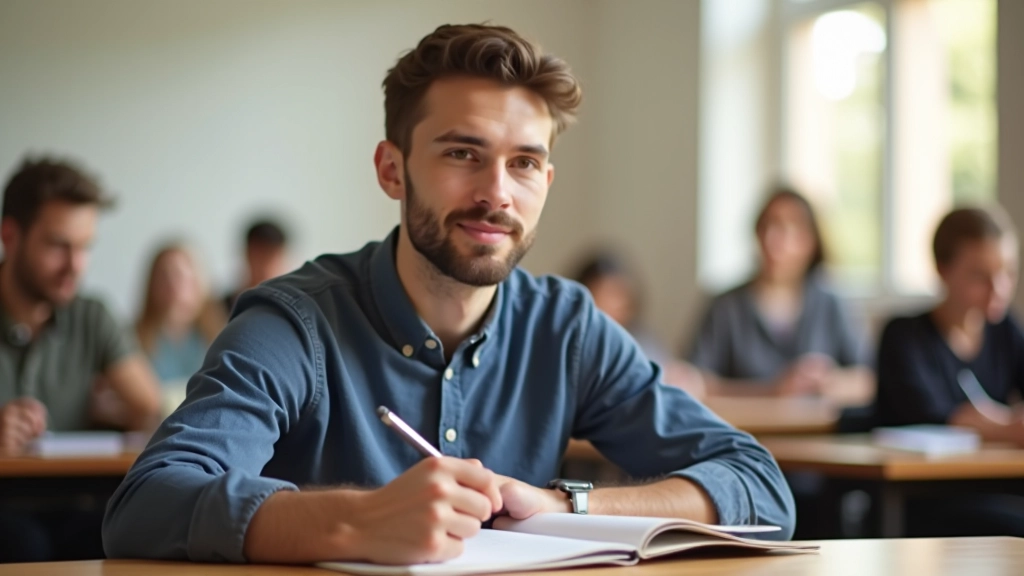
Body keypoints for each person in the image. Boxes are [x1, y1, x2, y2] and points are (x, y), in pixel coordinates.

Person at [102, 24, 795, 565]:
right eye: (463, 153)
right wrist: (360, 521)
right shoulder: (295, 322)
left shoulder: (566, 326)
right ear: (391, 170)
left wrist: (563, 505)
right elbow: (148, 504)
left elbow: (759, 486)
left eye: (523, 163)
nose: (497, 192)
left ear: (545, 184)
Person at [0, 158, 161, 562]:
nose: (76, 266)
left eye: (85, 247)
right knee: (25, 544)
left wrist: (113, 412)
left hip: (79, 501)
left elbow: (151, 408)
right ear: (10, 235)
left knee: (132, 537)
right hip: (9, 509)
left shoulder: (92, 316)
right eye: (59, 246)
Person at [875, 206, 1024, 537]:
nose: (998, 288)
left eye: (1007, 273)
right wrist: (1006, 427)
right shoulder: (904, 336)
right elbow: (929, 413)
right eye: (979, 275)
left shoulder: (1005, 331)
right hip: (930, 500)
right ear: (943, 270)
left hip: (997, 486)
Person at [687, 187, 873, 404]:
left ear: (811, 240)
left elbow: (868, 379)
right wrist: (772, 390)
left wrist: (828, 382)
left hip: (819, 432)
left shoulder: (831, 303)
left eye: (786, 229)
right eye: (766, 226)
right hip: (742, 431)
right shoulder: (726, 306)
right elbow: (694, 381)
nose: (772, 240)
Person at [573, 250, 704, 397]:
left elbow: (667, 375)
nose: (614, 304)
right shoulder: (575, 342)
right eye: (605, 294)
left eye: (618, 295)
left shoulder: (643, 338)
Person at [135, 243, 226, 384]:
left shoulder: (220, 335)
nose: (171, 284)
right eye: (164, 275)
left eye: (178, 275)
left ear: (196, 280)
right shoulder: (134, 337)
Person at [221, 219, 290, 314]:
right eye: (260, 255)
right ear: (247, 253)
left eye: (271, 257)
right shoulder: (219, 309)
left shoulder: (289, 309)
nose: (266, 265)